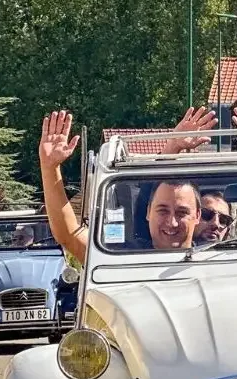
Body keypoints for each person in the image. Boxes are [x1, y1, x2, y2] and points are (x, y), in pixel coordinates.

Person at [40, 107, 220, 265]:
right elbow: (69, 234)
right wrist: (50, 167)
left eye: (182, 213)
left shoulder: (215, 260)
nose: (171, 222)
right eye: (162, 210)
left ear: (198, 215)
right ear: (148, 212)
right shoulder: (119, 257)